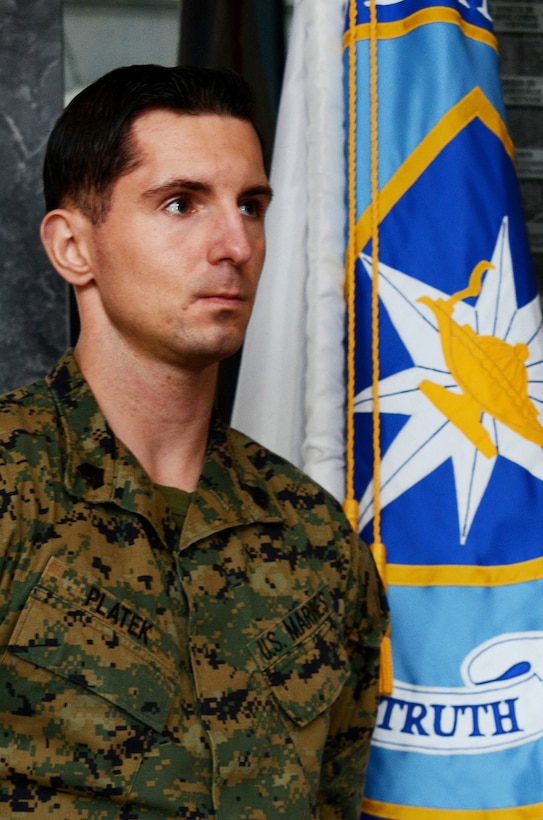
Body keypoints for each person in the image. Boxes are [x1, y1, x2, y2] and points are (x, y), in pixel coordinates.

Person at [0, 65, 388, 818]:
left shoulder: (311, 535)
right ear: (73, 247)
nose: (234, 244)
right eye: (180, 204)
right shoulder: (14, 486)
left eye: (250, 206)